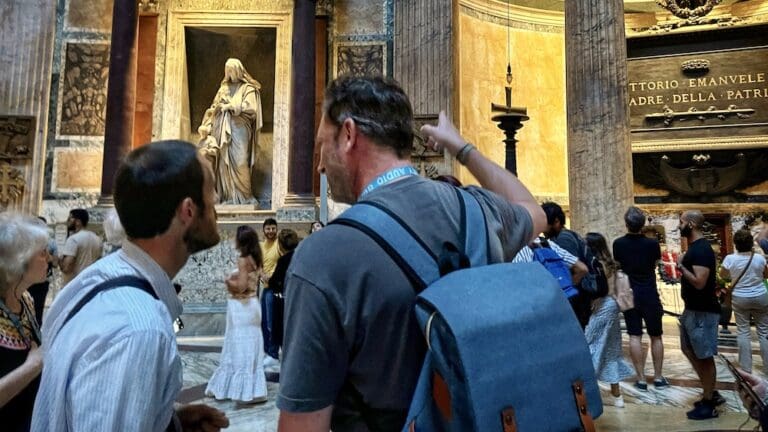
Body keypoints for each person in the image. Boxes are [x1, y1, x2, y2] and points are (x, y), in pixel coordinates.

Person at [276, 76, 545, 431]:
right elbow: (532, 209)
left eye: (320, 147)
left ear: (348, 134)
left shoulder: (321, 256)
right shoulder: (479, 212)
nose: (320, 166)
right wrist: (461, 147)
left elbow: (302, 426)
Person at [32, 140, 228, 432]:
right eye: (211, 192)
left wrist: (169, 422)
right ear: (188, 210)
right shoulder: (139, 331)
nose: (216, 205)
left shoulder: (98, 278)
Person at [205, 225, 267, 404]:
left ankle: (241, 391)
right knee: (250, 344)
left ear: (242, 241)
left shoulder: (243, 259)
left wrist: (227, 281)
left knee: (238, 346)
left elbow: (241, 286)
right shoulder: (256, 259)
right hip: (253, 305)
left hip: (242, 306)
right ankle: (254, 389)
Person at [0, 214, 48, 432]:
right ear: (19, 260)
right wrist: (32, 366)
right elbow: (33, 361)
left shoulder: (25, 298)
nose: (49, 257)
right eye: (42, 252)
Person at [612, 206, 668, 391]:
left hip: (629, 294)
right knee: (656, 336)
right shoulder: (652, 244)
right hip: (649, 293)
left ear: (626, 224)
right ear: (643, 224)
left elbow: (618, 266)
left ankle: (641, 378)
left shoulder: (618, 244)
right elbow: (655, 264)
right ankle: (659, 377)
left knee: (635, 335)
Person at [676, 210, 722, 420]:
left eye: (682, 222)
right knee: (688, 349)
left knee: (704, 356)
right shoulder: (696, 248)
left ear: (692, 224)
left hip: (703, 311)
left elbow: (700, 282)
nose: (679, 225)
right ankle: (709, 389)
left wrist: (680, 266)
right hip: (692, 310)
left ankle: (709, 401)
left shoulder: (702, 249)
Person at [200, 58, 263, 204]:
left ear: (238, 71)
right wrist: (215, 114)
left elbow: (252, 108)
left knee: (240, 161)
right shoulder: (223, 89)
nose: (229, 74)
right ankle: (228, 196)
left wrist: (231, 106)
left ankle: (246, 196)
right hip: (221, 127)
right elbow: (213, 108)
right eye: (227, 71)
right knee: (222, 161)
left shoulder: (248, 88)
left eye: (231, 70)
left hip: (240, 128)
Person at [584, 232, 635, 408]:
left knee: (589, 346)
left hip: (601, 307)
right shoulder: (612, 264)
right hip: (613, 307)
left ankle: (587, 393)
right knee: (611, 350)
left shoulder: (596, 265)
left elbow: (597, 289)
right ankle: (617, 395)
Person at [720, 229, 768, 374]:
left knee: (743, 331)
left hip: (740, 297)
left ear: (736, 244)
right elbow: (766, 274)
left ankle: (746, 368)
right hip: (760, 295)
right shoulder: (759, 258)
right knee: (764, 332)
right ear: (751, 243)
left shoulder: (730, 259)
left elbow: (723, 275)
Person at [541, 201, 593, 329]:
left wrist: (566, 289)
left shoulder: (563, 239)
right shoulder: (565, 236)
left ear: (556, 221)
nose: (542, 228)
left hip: (576, 300)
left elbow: (577, 269)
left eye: (544, 223)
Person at [268, 229, 300, 358]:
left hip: (283, 302)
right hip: (298, 301)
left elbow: (275, 282)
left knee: (283, 335)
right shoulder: (300, 257)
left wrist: (268, 279)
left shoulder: (284, 260)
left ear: (280, 244)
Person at [26, 216, 58, 327]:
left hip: (27, 279)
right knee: (38, 307)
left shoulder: (23, 242)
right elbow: (54, 263)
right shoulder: (51, 243)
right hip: (41, 279)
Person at [59, 208, 103, 286]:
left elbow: (66, 267)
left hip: (74, 287)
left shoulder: (73, 239)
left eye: (71, 218)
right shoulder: (97, 239)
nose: (67, 220)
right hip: (90, 285)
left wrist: (59, 260)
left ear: (78, 222)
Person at [260, 218, 281, 367]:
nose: (271, 231)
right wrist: (262, 274)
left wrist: (272, 276)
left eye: (273, 228)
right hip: (265, 287)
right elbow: (258, 263)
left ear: (277, 229)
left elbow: (281, 263)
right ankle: (268, 351)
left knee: (272, 322)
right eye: (268, 229)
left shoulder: (279, 245)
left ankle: (273, 353)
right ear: (263, 230)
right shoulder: (261, 246)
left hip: (275, 288)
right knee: (264, 322)